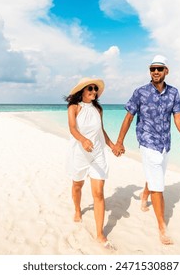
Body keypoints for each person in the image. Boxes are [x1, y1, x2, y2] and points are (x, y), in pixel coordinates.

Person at [112, 55, 180, 245]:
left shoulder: (173, 93)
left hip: (165, 143)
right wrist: (119, 142)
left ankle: (144, 195)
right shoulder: (140, 92)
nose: (155, 72)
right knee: (159, 185)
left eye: (159, 68)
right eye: (152, 69)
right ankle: (161, 227)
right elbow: (129, 117)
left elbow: (178, 117)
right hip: (147, 141)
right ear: (150, 71)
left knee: (157, 175)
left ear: (166, 71)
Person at [65, 77, 115, 250]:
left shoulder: (98, 109)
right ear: (82, 91)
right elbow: (72, 128)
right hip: (79, 153)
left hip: (98, 154)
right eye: (90, 89)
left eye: (95, 89)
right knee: (77, 185)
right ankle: (78, 210)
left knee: (99, 193)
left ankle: (100, 234)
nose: (94, 92)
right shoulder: (74, 108)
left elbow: (101, 130)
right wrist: (83, 140)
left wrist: (113, 145)